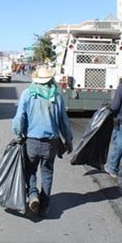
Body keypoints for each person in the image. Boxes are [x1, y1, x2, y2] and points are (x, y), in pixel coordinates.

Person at [12, 67, 73, 217]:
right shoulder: (57, 96)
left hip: (31, 142)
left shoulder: (27, 94)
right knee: (47, 172)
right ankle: (44, 205)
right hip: (50, 143)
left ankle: (33, 195)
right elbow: (64, 122)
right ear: (50, 80)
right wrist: (68, 141)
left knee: (30, 169)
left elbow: (19, 118)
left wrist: (18, 135)